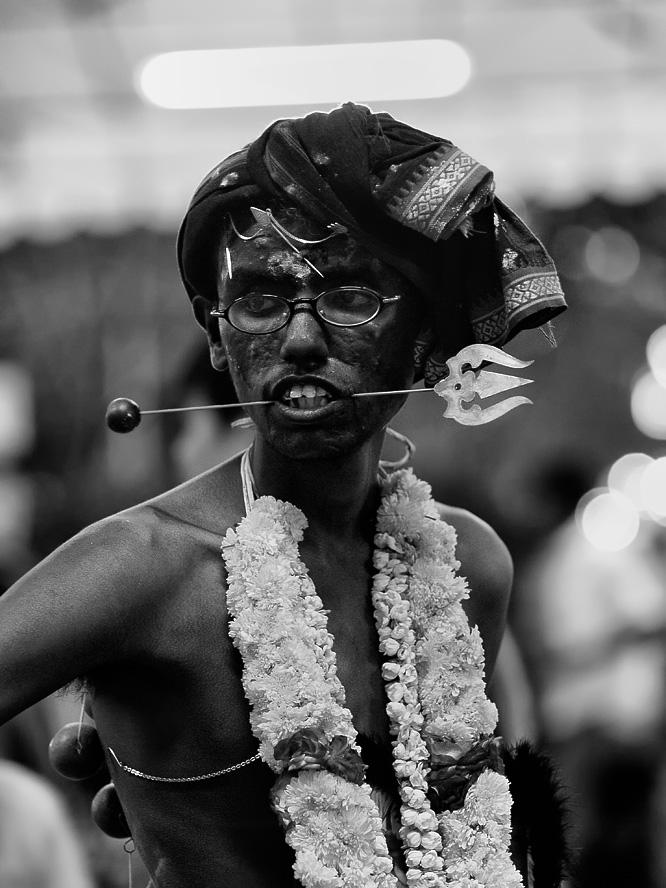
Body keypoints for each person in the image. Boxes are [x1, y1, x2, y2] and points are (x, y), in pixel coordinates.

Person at [0, 103, 568, 887]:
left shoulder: (472, 565)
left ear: (428, 342)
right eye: (261, 299)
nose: (300, 340)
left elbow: (488, 824)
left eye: (351, 298)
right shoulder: (145, 567)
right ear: (213, 329)